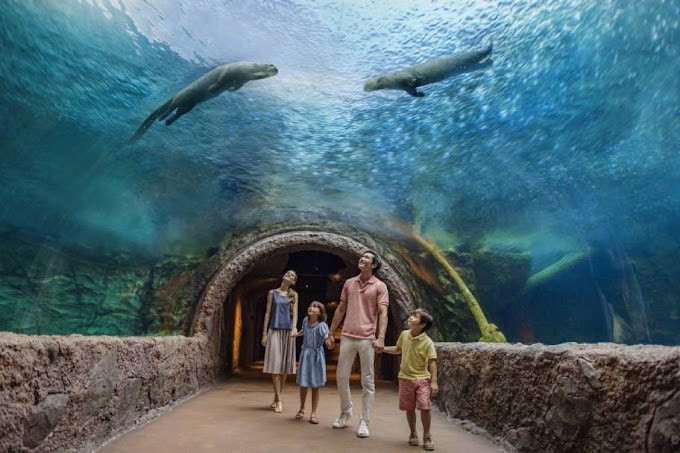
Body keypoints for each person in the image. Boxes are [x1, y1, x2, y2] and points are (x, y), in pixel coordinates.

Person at [325, 250, 389, 438]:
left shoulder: (380, 286)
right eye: (362, 257)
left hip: (367, 338)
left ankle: (364, 421)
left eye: (367, 257)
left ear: (374, 264)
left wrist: (381, 337)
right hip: (347, 335)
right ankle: (346, 412)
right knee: (341, 377)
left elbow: (383, 313)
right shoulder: (349, 283)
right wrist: (330, 332)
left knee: (367, 381)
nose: (362, 258)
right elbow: (341, 308)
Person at [384, 308, 438, 451]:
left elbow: (432, 362)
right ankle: (413, 433)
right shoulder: (404, 335)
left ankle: (427, 435)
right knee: (409, 407)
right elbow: (397, 349)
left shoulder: (428, 342)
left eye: (415, 316)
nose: (410, 317)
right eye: (412, 315)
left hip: (422, 378)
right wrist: (382, 348)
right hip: (405, 378)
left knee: (425, 407)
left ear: (422, 325)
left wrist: (434, 382)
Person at [261, 269, 298, 413]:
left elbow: (295, 314)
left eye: (293, 276)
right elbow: (267, 313)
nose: (289, 276)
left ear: (293, 281)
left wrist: (294, 328)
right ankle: (279, 400)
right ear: (283, 276)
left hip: (288, 332)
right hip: (274, 330)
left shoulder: (293, 295)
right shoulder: (272, 293)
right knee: (275, 367)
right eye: (288, 273)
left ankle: (277, 398)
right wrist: (264, 334)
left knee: (284, 369)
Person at [293, 301, 332, 424]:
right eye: (310, 306)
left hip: (316, 356)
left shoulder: (322, 325)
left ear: (320, 312)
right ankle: (302, 408)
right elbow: (303, 331)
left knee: (315, 386)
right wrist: (296, 334)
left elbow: (326, 337)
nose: (311, 308)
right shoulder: (305, 321)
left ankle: (313, 413)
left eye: (315, 307)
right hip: (305, 354)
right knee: (303, 384)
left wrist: (328, 342)